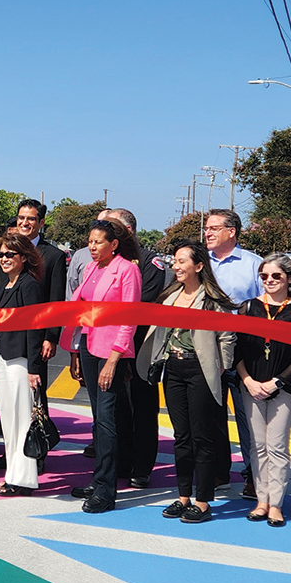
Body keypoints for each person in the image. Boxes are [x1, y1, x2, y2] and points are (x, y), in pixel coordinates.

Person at [137, 240, 236, 524]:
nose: (176, 267)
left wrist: (221, 367)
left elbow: (227, 335)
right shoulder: (170, 295)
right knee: (181, 436)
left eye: (182, 262)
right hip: (174, 369)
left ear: (199, 266)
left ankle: (203, 501)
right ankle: (183, 496)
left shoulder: (212, 300)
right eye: (175, 261)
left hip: (202, 369)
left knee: (202, 436)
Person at [64, 219, 141, 514]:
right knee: (97, 417)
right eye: (90, 242)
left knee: (107, 419)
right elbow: (80, 308)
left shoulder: (127, 270)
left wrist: (114, 359)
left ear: (114, 244)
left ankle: (107, 490)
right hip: (88, 345)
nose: (92, 247)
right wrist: (74, 350)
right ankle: (99, 480)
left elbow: (129, 317)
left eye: (98, 242)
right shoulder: (91, 268)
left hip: (111, 352)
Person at [235, 254, 291, 527]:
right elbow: (237, 349)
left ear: (290, 278)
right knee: (257, 445)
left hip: (285, 386)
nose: (269, 281)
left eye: (276, 276)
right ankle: (261, 500)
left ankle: (276, 503)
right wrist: (247, 380)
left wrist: (277, 382)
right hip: (251, 385)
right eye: (264, 276)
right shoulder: (248, 307)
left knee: (277, 445)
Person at [100, 208, 167, 487]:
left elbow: (143, 303)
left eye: (110, 228)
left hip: (140, 348)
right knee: (116, 410)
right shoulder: (108, 262)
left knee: (142, 407)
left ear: (126, 231)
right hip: (110, 346)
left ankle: (141, 467)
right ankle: (121, 462)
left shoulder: (150, 262)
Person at [205, 208, 263, 499]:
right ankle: (218, 470)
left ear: (232, 232)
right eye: (206, 228)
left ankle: (253, 473)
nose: (208, 232)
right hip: (208, 346)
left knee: (247, 415)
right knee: (212, 412)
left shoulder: (254, 264)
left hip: (244, 348)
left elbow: (267, 305)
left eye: (215, 227)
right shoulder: (202, 264)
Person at [0, 231, 45, 497]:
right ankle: (12, 474)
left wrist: (34, 368)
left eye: (10, 254)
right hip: (1, 358)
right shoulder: (4, 285)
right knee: (8, 421)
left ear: (24, 257)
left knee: (22, 421)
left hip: (21, 361)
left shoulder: (29, 285)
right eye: (1, 254)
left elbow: (35, 329)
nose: (4, 259)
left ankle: (23, 480)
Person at [13, 199, 66, 413]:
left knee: (35, 388)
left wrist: (51, 337)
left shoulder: (54, 257)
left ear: (41, 222)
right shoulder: (5, 250)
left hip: (36, 335)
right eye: (21, 218)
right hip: (9, 332)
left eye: (31, 219)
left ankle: (37, 435)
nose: (25, 223)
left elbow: (56, 301)